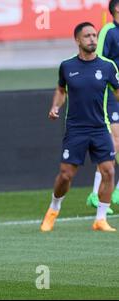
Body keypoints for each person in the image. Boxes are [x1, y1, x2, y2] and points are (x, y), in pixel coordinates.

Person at [40, 22, 119, 233]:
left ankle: (100, 219)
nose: (93, 39)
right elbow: (60, 90)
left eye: (94, 35)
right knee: (66, 175)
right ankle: (53, 209)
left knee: (109, 171)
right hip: (76, 129)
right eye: (87, 36)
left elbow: (118, 92)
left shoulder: (108, 66)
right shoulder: (67, 66)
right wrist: (55, 106)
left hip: (100, 127)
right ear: (77, 40)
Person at [86, 0, 119, 214]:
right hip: (111, 94)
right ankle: (96, 194)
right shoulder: (108, 30)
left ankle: (115, 191)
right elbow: (99, 61)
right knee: (114, 143)